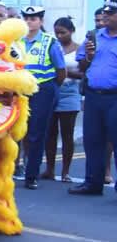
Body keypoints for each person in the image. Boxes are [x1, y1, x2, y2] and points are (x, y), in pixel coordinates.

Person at [71, 0, 117, 196]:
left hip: (115, 97)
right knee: (92, 140)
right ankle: (92, 183)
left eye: (111, 13)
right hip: (93, 96)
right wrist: (88, 57)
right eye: (104, 12)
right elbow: (81, 66)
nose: (105, 16)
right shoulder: (93, 36)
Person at [19, 6, 66, 190]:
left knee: (36, 134)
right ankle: (13, 169)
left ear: (41, 21)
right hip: (20, 90)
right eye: (26, 18)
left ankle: (31, 175)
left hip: (42, 90)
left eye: (33, 19)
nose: (29, 22)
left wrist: (52, 89)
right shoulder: (16, 40)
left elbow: (61, 70)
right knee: (17, 132)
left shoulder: (50, 42)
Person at [43, 17, 82, 182]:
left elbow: (83, 73)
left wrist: (63, 71)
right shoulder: (53, 46)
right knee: (50, 133)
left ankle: (65, 172)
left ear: (71, 31)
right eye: (57, 33)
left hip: (70, 91)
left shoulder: (79, 49)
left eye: (63, 33)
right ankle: (50, 169)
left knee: (67, 133)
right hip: (52, 90)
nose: (59, 36)